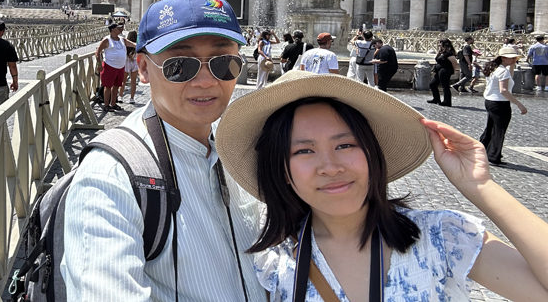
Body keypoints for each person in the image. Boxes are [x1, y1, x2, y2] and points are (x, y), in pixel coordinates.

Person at [216, 70, 548, 302]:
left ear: (373, 154)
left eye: (345, 145)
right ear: (283, 171)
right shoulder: (275, 258)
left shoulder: (443, 236)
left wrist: (481, 186)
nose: (330, 167)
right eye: (303, 151)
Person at [62, 0, 266, 301]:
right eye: (180, 66)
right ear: (143, 69)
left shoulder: (242, 152)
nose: (206, 81)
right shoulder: (110, 177)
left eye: (224, 63)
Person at [481, 47, 528, 165]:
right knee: (499, 130)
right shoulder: (502, 71)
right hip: (500, 103)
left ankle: (481, 150)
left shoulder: (494, 68)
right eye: (511, 58)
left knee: (491, 128)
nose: (514, 60)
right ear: (503, 58)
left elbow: (509, 79)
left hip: (490, 101)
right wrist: (519, 104)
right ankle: (493, 156)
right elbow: (504, 90)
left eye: (515, 58)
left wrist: (511, 66)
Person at [95, 22, 136, 112]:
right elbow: (97, 52)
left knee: (117, 85)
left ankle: (113, 103)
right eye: (118, 28)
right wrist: (99, 64)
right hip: (109, 66)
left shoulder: (122, 39)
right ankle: (106, 104)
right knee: (108, 86)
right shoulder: (107, 40)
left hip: (120, 66)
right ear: (112, 30)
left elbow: (132, 44)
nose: (120, 29)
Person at [427, 38, 458, 107]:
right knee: (432, 84)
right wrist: (439, 52)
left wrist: (454, 71)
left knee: (445, 86)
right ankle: (436, 99)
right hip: (439, 70)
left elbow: (454, 62)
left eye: (440, 43)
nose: (438, 44)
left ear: (444, 44)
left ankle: (447, 101)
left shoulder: (449, 52)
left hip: (445, 70)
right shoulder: (442, 51)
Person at [119, 30, 140, 104]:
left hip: (126, 62)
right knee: (133, 82)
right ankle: (132, 98)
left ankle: (120, 96)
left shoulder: (126, 44)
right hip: (134, 63)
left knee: (123, 81)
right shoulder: (137, 44)